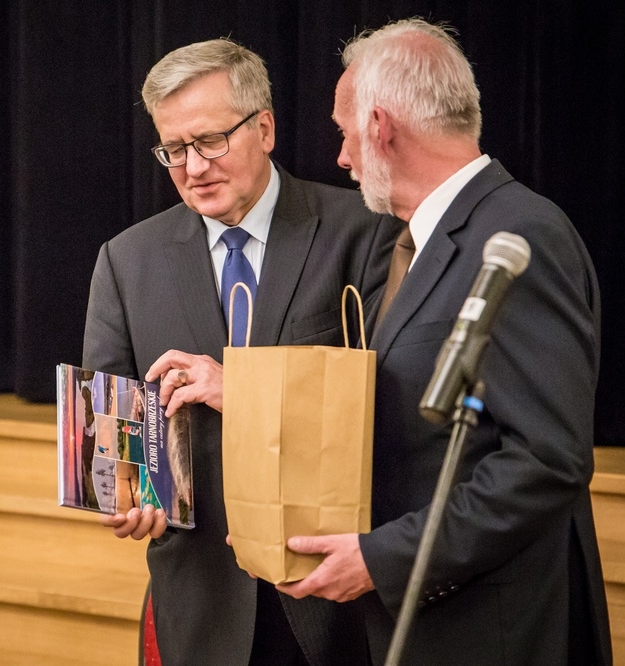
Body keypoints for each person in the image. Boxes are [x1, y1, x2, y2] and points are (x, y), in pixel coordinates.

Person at [277, 19, 614, 664]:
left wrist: (383, 558)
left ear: (380, 127)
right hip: (428, 622)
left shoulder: (519, 235)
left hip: (490, 631)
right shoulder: (411, 240)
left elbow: (547, 461)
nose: (342, 158)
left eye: (345, 133)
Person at [82, 38, 401, 665]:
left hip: (329, 593)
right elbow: (114, 435)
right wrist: (126, 494)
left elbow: (390, 403)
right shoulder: (126, 260)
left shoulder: (363, 232)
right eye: (174, 149)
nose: (193, 167)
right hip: (202, 602)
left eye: (210, 141)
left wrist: (245, 393)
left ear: (265, 129)